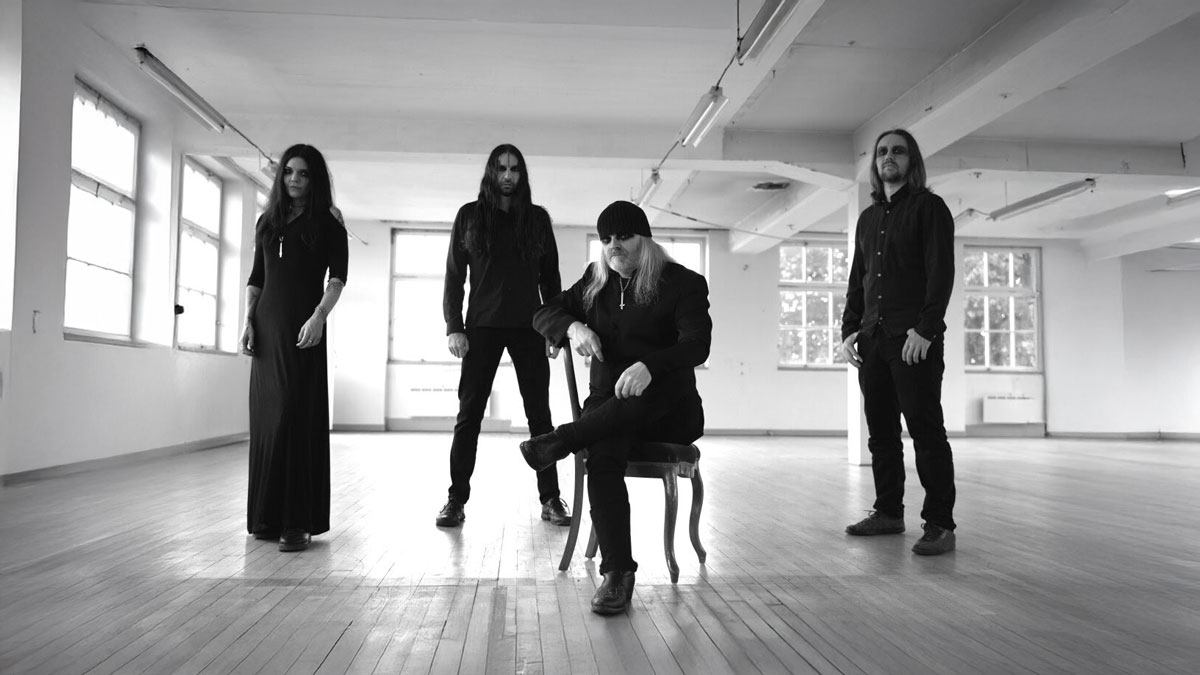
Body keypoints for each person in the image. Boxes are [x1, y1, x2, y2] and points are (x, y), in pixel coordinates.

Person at [520, 200, 711, 615]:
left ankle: (563, 439)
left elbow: (697, 345)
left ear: (646, 239)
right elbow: (542, 313)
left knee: (644, 396)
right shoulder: (595, 281)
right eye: (606, 238)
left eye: (624, 236)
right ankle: (617, 574)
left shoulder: (683, 283)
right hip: (610, 413)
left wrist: (650, 366)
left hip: (668, 412)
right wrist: (573, 326)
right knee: (604, 453)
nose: (613, 246)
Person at [438, 144, 570, 528]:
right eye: (501, 168)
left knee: (540, 416)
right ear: (491, 173)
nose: (508, 175)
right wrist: (454, 327)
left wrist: (555, 330)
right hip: (481, 326)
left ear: (522, 174)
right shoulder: (469, 216)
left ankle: (551, 499)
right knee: (469, 416)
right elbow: (454, 276)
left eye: (514, 169)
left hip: (531, 326)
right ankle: (455, 500)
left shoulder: (537, 220)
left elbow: (551, 280)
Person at [840, 128, 957, 556]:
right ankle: (888, 512)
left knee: (926, 432)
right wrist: (848, 329)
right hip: (873, 339)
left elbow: (940, 271)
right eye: (882, 152)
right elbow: (859, 279)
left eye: (898, 151)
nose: (889, 157)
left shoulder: (930, 208)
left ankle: (940, 523)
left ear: (912, 161)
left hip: (913, 341)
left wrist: (927, 329)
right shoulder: (868, 218)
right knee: (881, 434)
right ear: (875, 163)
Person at [241, 144, 348, 553]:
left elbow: (337, 278)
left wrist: (319, 316)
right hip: (266, 331)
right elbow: (257, 278)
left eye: (303, 173)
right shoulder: (267, 222)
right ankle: (266, 517)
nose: (294, 180)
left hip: (304, 332)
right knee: (268, 423)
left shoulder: (329, 222)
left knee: (295, 420)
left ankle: (297, 521)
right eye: (288, 172)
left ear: (314, 178)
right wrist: (248, 320)